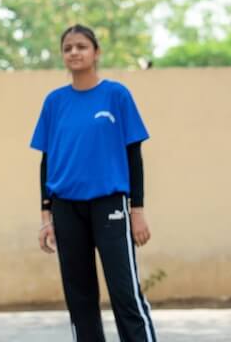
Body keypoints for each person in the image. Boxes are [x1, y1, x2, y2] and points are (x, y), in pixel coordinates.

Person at [32, 24, 156, 342]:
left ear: (96, 52)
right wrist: (46, 217)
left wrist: (137, 210)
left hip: (110, 204)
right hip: (65, 207)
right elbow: (46, 162)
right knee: (80, 298)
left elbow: (133, 155)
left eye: (81, 46)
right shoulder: (54, 102)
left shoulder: (116, 95)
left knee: (124, 293)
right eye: (68, 48)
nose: (74, 52)